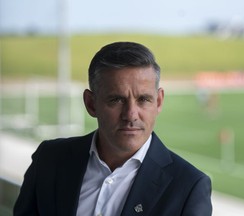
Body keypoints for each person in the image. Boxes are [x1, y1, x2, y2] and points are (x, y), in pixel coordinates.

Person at [14, 41, 212, 216]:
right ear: (91, 104)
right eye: (116, 100)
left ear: (158, 102)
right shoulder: (49, 160)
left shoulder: (188, 187)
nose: (131, 114)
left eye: (143, 99)